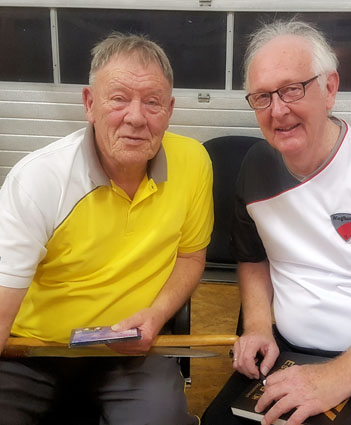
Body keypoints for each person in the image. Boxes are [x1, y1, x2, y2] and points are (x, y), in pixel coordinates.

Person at [202, 20, 351, 425]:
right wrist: (257, 326)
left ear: (330, 89)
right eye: (263, 97)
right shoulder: (255, 167)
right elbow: (252, 257)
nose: (278, 110)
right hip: (289, 354)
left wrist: (337, 377)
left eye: (292, 89)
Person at [0, 32, 213, 425]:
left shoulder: (194, 162)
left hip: (131, 355)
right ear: (89, 104)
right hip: (32, 351)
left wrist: (157, 314)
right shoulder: (38, 179)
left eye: (152, 102)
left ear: (169, 110)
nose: (136, 117)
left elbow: (190, 256)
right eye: (118, 98)